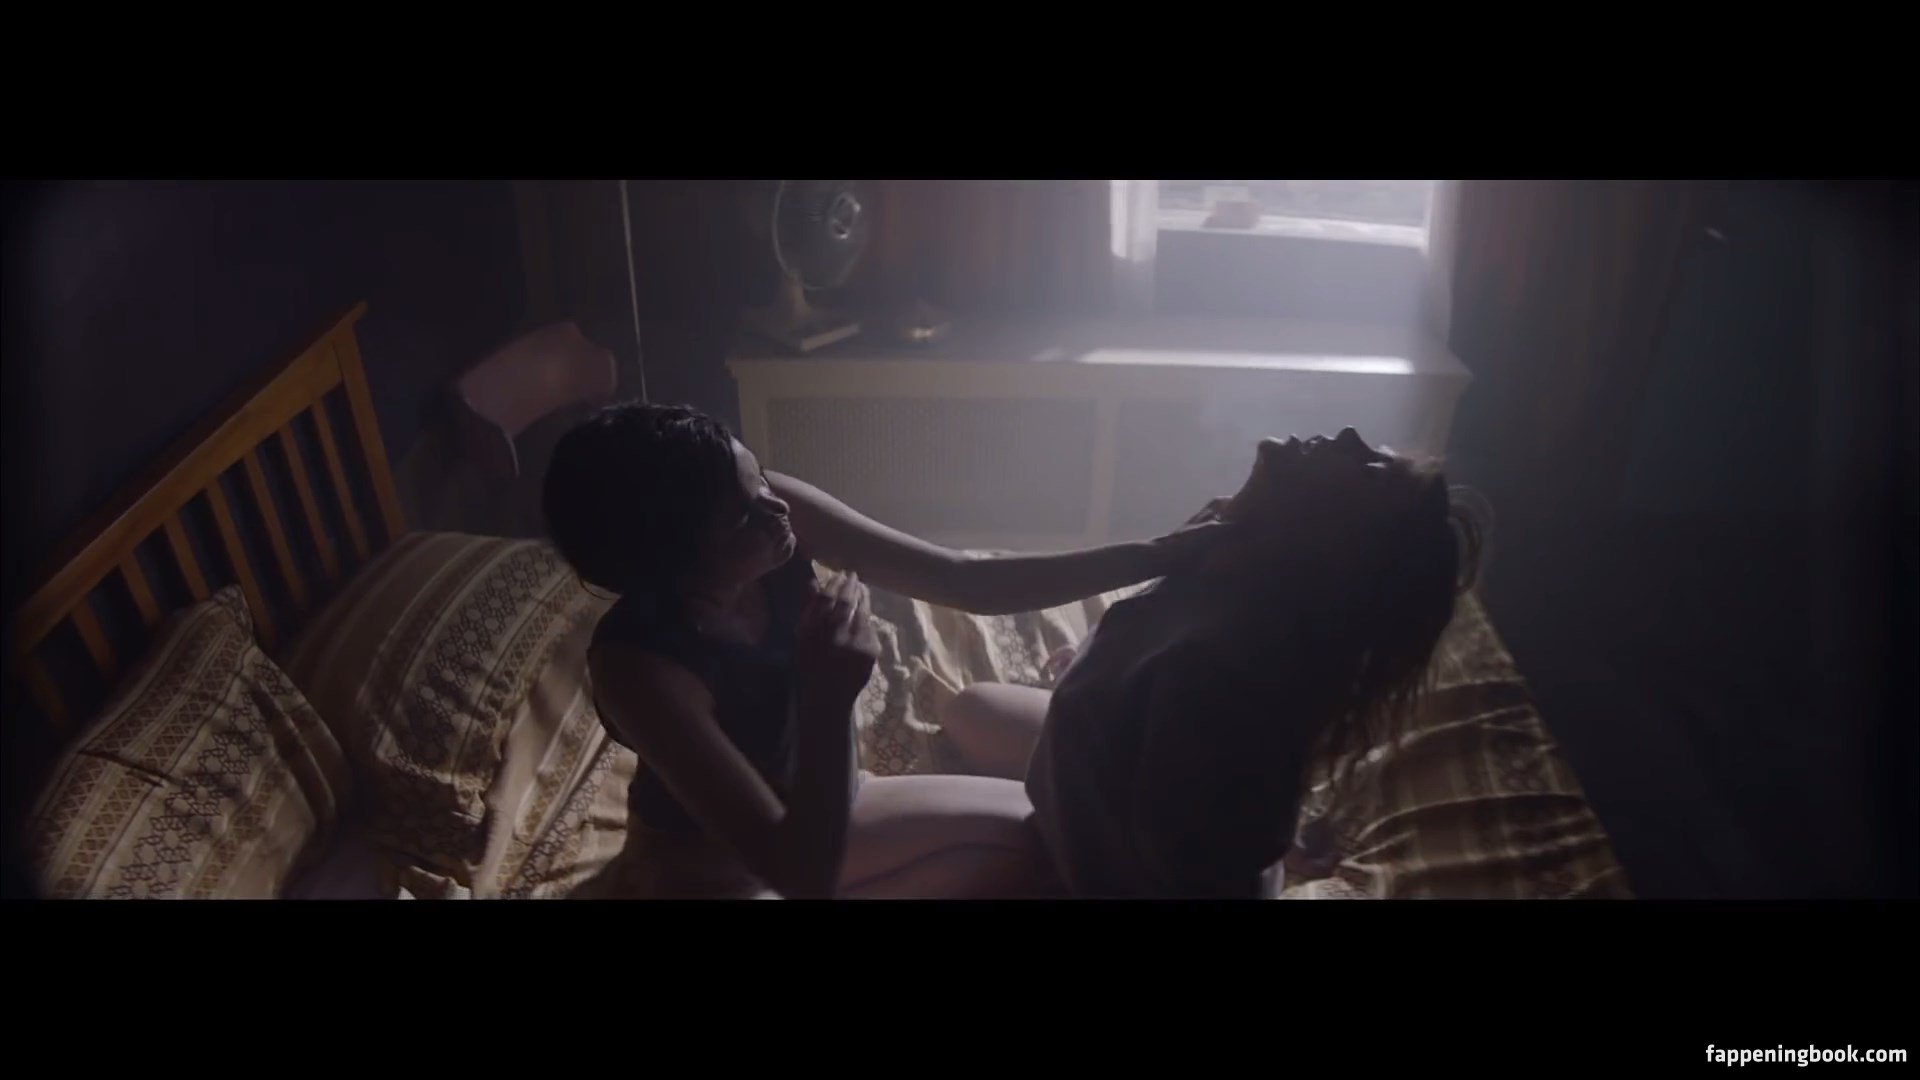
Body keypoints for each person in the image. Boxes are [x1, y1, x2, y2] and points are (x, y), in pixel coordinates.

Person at [540, 402, 1226, 898]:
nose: (775, 508)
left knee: (1046, 836)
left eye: (760, 482)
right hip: (713, 870)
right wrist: (829, 694)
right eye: (742, 515)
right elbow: (796, 873)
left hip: (831, 804)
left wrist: (1155, 554)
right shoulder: (639, 669)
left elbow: (964, 580)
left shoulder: (774, 517)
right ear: (676, 564)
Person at [945, 428, 1483, 897]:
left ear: (1335, 543)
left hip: (1113, 865)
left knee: (913, 828)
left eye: (1370, 470)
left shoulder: (1223, 674)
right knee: (972, 708)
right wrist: (1094, 665)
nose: (1347, 435)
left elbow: (1189, 869)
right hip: (1129, 776)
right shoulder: (1222, 560)